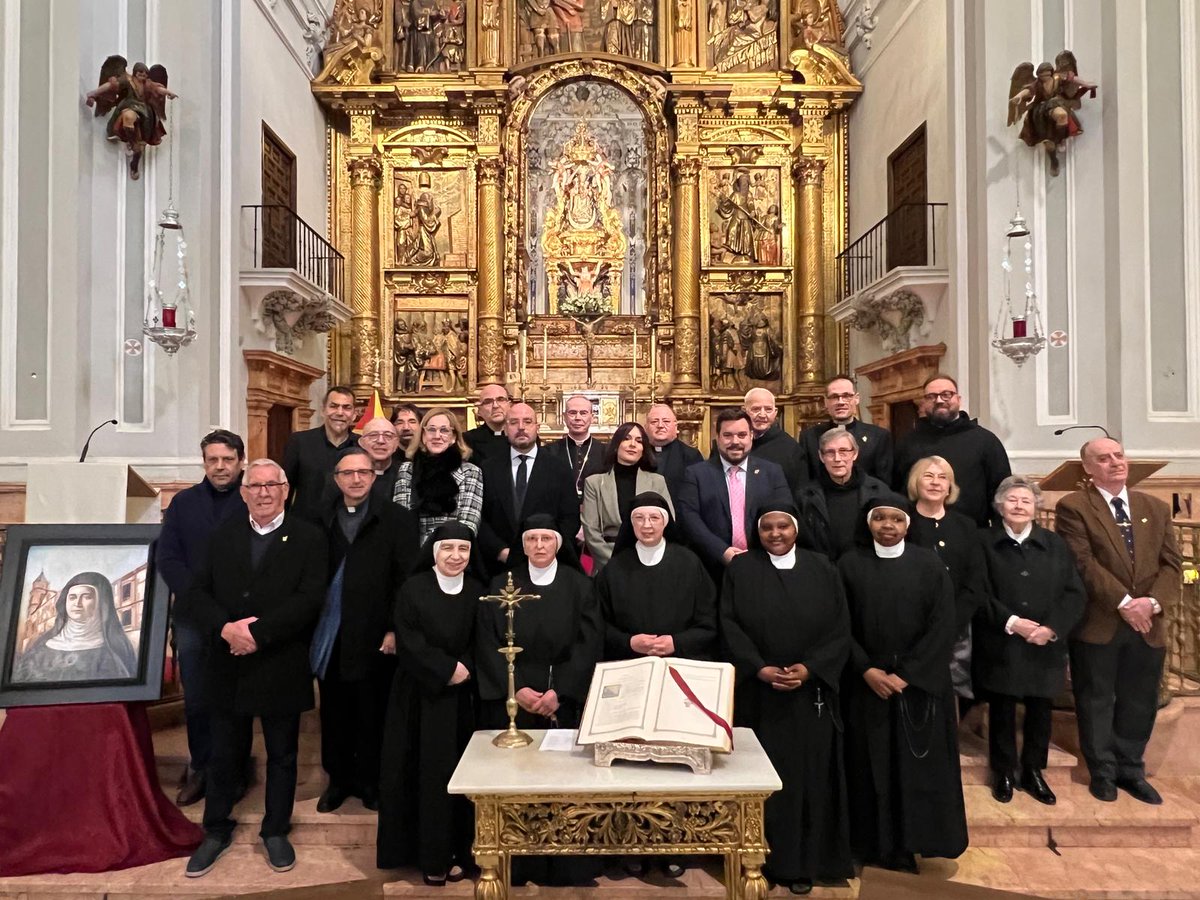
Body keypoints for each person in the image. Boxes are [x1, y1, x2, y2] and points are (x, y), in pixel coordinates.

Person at [176, 459, 327, 877]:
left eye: (271, 485)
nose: (262, 493)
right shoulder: (221, 536)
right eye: (254, 486)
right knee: (225, 753)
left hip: (280, 659)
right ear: (243, 493)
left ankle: (275, 831)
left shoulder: (309, 537)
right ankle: (216, 829)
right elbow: (196, 592)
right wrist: (226, 629)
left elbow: (310, 597)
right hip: (227, 662)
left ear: (285, 490)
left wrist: (258, 634)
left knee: (282, 754)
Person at [721, 503, 853, 895]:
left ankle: (804, 865)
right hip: (758, 697)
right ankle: (757, 859)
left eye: (783, 526)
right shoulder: (741, 569)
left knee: (808, 782)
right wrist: (757, 667)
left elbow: (840, 628)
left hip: (809, 697)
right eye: (767, 528)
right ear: (756, 532)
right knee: (761, 784)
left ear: (795, 529)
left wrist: (810, 668)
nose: (775, 534)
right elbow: (728, 623)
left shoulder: (822, 567)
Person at [839, 496, 967, 873]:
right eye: (880, 518)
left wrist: (907, 674)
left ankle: (907, 846)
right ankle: (869, 844)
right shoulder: (849, 564)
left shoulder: (928, 564)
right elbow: (838, 623)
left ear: (907, 525)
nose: (888, 525)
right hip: (867, 684)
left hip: (918, 686)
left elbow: (943, 624)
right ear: (869, 523)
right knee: (868, 766)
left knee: (913, 771)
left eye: (896, 519)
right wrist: (866, 669)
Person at [475, 515, 602, 887]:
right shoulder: (501, 586)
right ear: (523, 545)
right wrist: (516, 689)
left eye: (547, 539)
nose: (540, 546)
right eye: (532, 539)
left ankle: (567, 865)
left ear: (559, 545)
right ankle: (521, 862)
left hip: (562, 702)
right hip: (517, 703)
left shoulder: (580, 586)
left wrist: (559, 692)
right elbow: (487, 642)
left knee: (566, 784)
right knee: (518, 783)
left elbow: (589, 642)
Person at [1055, 437, 1182, 804]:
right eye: (1104, 458)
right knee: (1096, 700)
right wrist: (1126, 602)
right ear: (1088, 469)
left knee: (1139, 701)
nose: (1114, 462)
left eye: (1119, 455)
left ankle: (1131, 770)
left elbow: (1171, 565)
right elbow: (1082, 562)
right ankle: (1103, 772)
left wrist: (1152, 603)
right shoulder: (1074, 506)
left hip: (1149, 624)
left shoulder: (1154, 508)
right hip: (1100, 623)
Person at [313, 448, 420, 815]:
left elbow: (405, 579)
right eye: (347, 473)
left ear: (374, 477)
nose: (356, 479)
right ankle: (338, 780)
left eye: (363, 473)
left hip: (376, 633)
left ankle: (370, 781)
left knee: (373, 710)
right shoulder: (320, 518)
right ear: (336, 479)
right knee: (333, 709)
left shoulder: (397, 518)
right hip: (332, 632)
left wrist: (393, 629)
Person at [377, 523, 481, 885]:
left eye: (463, 549)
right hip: (419, 697)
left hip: (463, 698)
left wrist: (463, 667)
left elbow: (483, 637)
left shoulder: (478, 591)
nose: (456, 556)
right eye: (448, 548)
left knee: (459, 776)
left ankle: (462, 852)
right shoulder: (413, 588)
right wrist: (445, 668)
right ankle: (430, 856)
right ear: (433, 551)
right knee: (426, 774)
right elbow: (408, 639)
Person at [975, 476, 1085, 806]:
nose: (1019, 505)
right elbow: (977, 591)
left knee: (1040, 709)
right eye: (1012, 500)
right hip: (1001, 639)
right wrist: (1012, 622)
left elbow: (1074, 593)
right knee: (1003, 709)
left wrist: (1050, 629)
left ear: (1036, 507)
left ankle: (1034, 770)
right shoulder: (982, 542)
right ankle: (1004, 770)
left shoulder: (1055, 544)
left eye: (1026, 500)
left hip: (1044, 644)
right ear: (999, 506)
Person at [155, 428, 248, 805]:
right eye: (213, 460)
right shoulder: (183, 503)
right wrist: (195, 597)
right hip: (194, 617)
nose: (221, 467)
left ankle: (235, 769)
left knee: (237, 697)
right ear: (204, 463)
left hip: (240, 617)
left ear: (241, 461)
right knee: (197, 698)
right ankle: (202, 766)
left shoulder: (252, 499)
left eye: (228, 459)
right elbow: (168, 558)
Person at [905, 456, 989, 704]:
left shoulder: (965, 525)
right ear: (915, 482)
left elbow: (975, 579)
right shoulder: (902, 521)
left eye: (943, 478)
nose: (935, 483)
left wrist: (953, 620)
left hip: (957, 625)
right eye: (928, 476)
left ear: (950, 486)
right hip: (912, 624)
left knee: (954, 694)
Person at [677, 408, 792, 580]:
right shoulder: (696, 474)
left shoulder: (772, 472)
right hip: (711, 567)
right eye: (728, 435)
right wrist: (721, 551)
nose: (735, 441)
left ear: (751, 436)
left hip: (763, 563)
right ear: (717, 438)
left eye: (742, 435)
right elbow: (689, 517)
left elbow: (784, 513)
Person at [892, 374, 1011, 527]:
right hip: (917, 533)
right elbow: (896, 488)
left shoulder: (985, 440)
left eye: (946, 395)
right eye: (932, 396)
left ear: (958, 399)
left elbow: (1001, 492)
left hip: (972, 534)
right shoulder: (908, 442)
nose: (940, 400)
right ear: (923, 402)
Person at [476, 402, 580, 575]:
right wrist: (500, 551)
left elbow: (570, 518)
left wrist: (548, 550)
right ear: (505, 429)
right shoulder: (488, 468)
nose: (521, 427)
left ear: (537, 427)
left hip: (548, 564)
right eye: (514, 422)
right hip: (499, 566)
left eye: (527, 421)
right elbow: (480, 517)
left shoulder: (558, 468)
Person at [11, 572, 137, 684]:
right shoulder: (41, 645)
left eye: (86, 597)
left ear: (101, 603)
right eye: (72, 597)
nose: (77, 603)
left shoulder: (113, 652)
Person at [581, 422, 673, 572]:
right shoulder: (594, 483)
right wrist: (614, 564)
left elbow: (668, 523)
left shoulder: (657, 481)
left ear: (644, 449)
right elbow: (591, 531)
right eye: (627, 438)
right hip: (608, 562)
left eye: (639, 441)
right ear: (617, 444)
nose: (632, 444)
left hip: (650, 559)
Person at [392, 407, 484, 544]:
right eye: (431, 430)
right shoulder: (407, 470)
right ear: (423, 435)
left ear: (453, 437)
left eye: (444, 430)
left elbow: (468, 525)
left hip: (453, 552)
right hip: (412, 552)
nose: (437, 436)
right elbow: (400, 520)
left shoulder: (470, 472)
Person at [795, 427, 889, 560]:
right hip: (823, 569)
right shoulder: (805, 496)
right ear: (821, 457)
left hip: (867, 567)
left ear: (855, 454)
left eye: (843, 451)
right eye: (830, 452)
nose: (837, 458)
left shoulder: (879, 491)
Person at [282, 386, 358, 524]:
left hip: (350, 529)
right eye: (333, 406)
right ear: (323, 410)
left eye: (347, 407)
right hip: (305, 529)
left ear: (354, 414)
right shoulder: (299, 442)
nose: (340, 412)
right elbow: (285, 488)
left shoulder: (362, 445)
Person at [799, 375, 893, 484]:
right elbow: (805, 481)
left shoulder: (878, 437)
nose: (840, 402)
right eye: (834, 396)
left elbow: (884, 482)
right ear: (825, 402)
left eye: (846, 396)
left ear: (856, 399)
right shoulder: (809, 437)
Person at [543, 394, 608, 504]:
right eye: (572, 413)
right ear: (564, 417)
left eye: (583, 413)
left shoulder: (605, 451)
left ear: (592, 417)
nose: (578, 418)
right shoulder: (549, 451)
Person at [744, 388, 804, 491]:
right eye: (756, 409)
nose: (762, 415)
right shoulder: (733, 443)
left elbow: (799, 489)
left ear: (775, 412)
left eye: (768, 410)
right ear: (744, 411)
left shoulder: (790, 447)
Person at [644, 403, 702, 500]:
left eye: (666, 421)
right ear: (646, 427)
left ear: (676, 427)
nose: (660, 425)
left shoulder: (691, 455)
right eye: (654, 421)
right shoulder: (638, 453)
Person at [358, 416, 404, 506]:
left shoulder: (407, 475)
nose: (381, 441)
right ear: (362, 443)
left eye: (388, 436)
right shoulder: (350, 473)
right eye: (373, 435)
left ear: (396, 444)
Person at [463, 385, 511, 464]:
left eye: (500, 399)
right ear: (480, 410)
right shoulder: (468, 440)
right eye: (488, 402)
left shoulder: (520, 436)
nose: (495, 406)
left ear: (509, 405)